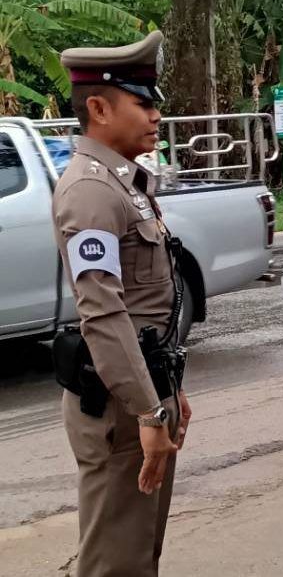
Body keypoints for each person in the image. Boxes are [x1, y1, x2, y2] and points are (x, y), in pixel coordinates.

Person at [53, 30, 192, 577]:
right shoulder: (92, 191)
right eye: (142, 102)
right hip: (121, 405)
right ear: (98, 109)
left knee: (138, 552)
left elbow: (147, 306)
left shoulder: (124, 183)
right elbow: (105, 313)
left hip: (144, 389)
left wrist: (169, 391)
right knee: (116, 561)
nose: (156, 114)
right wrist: (148, 409)